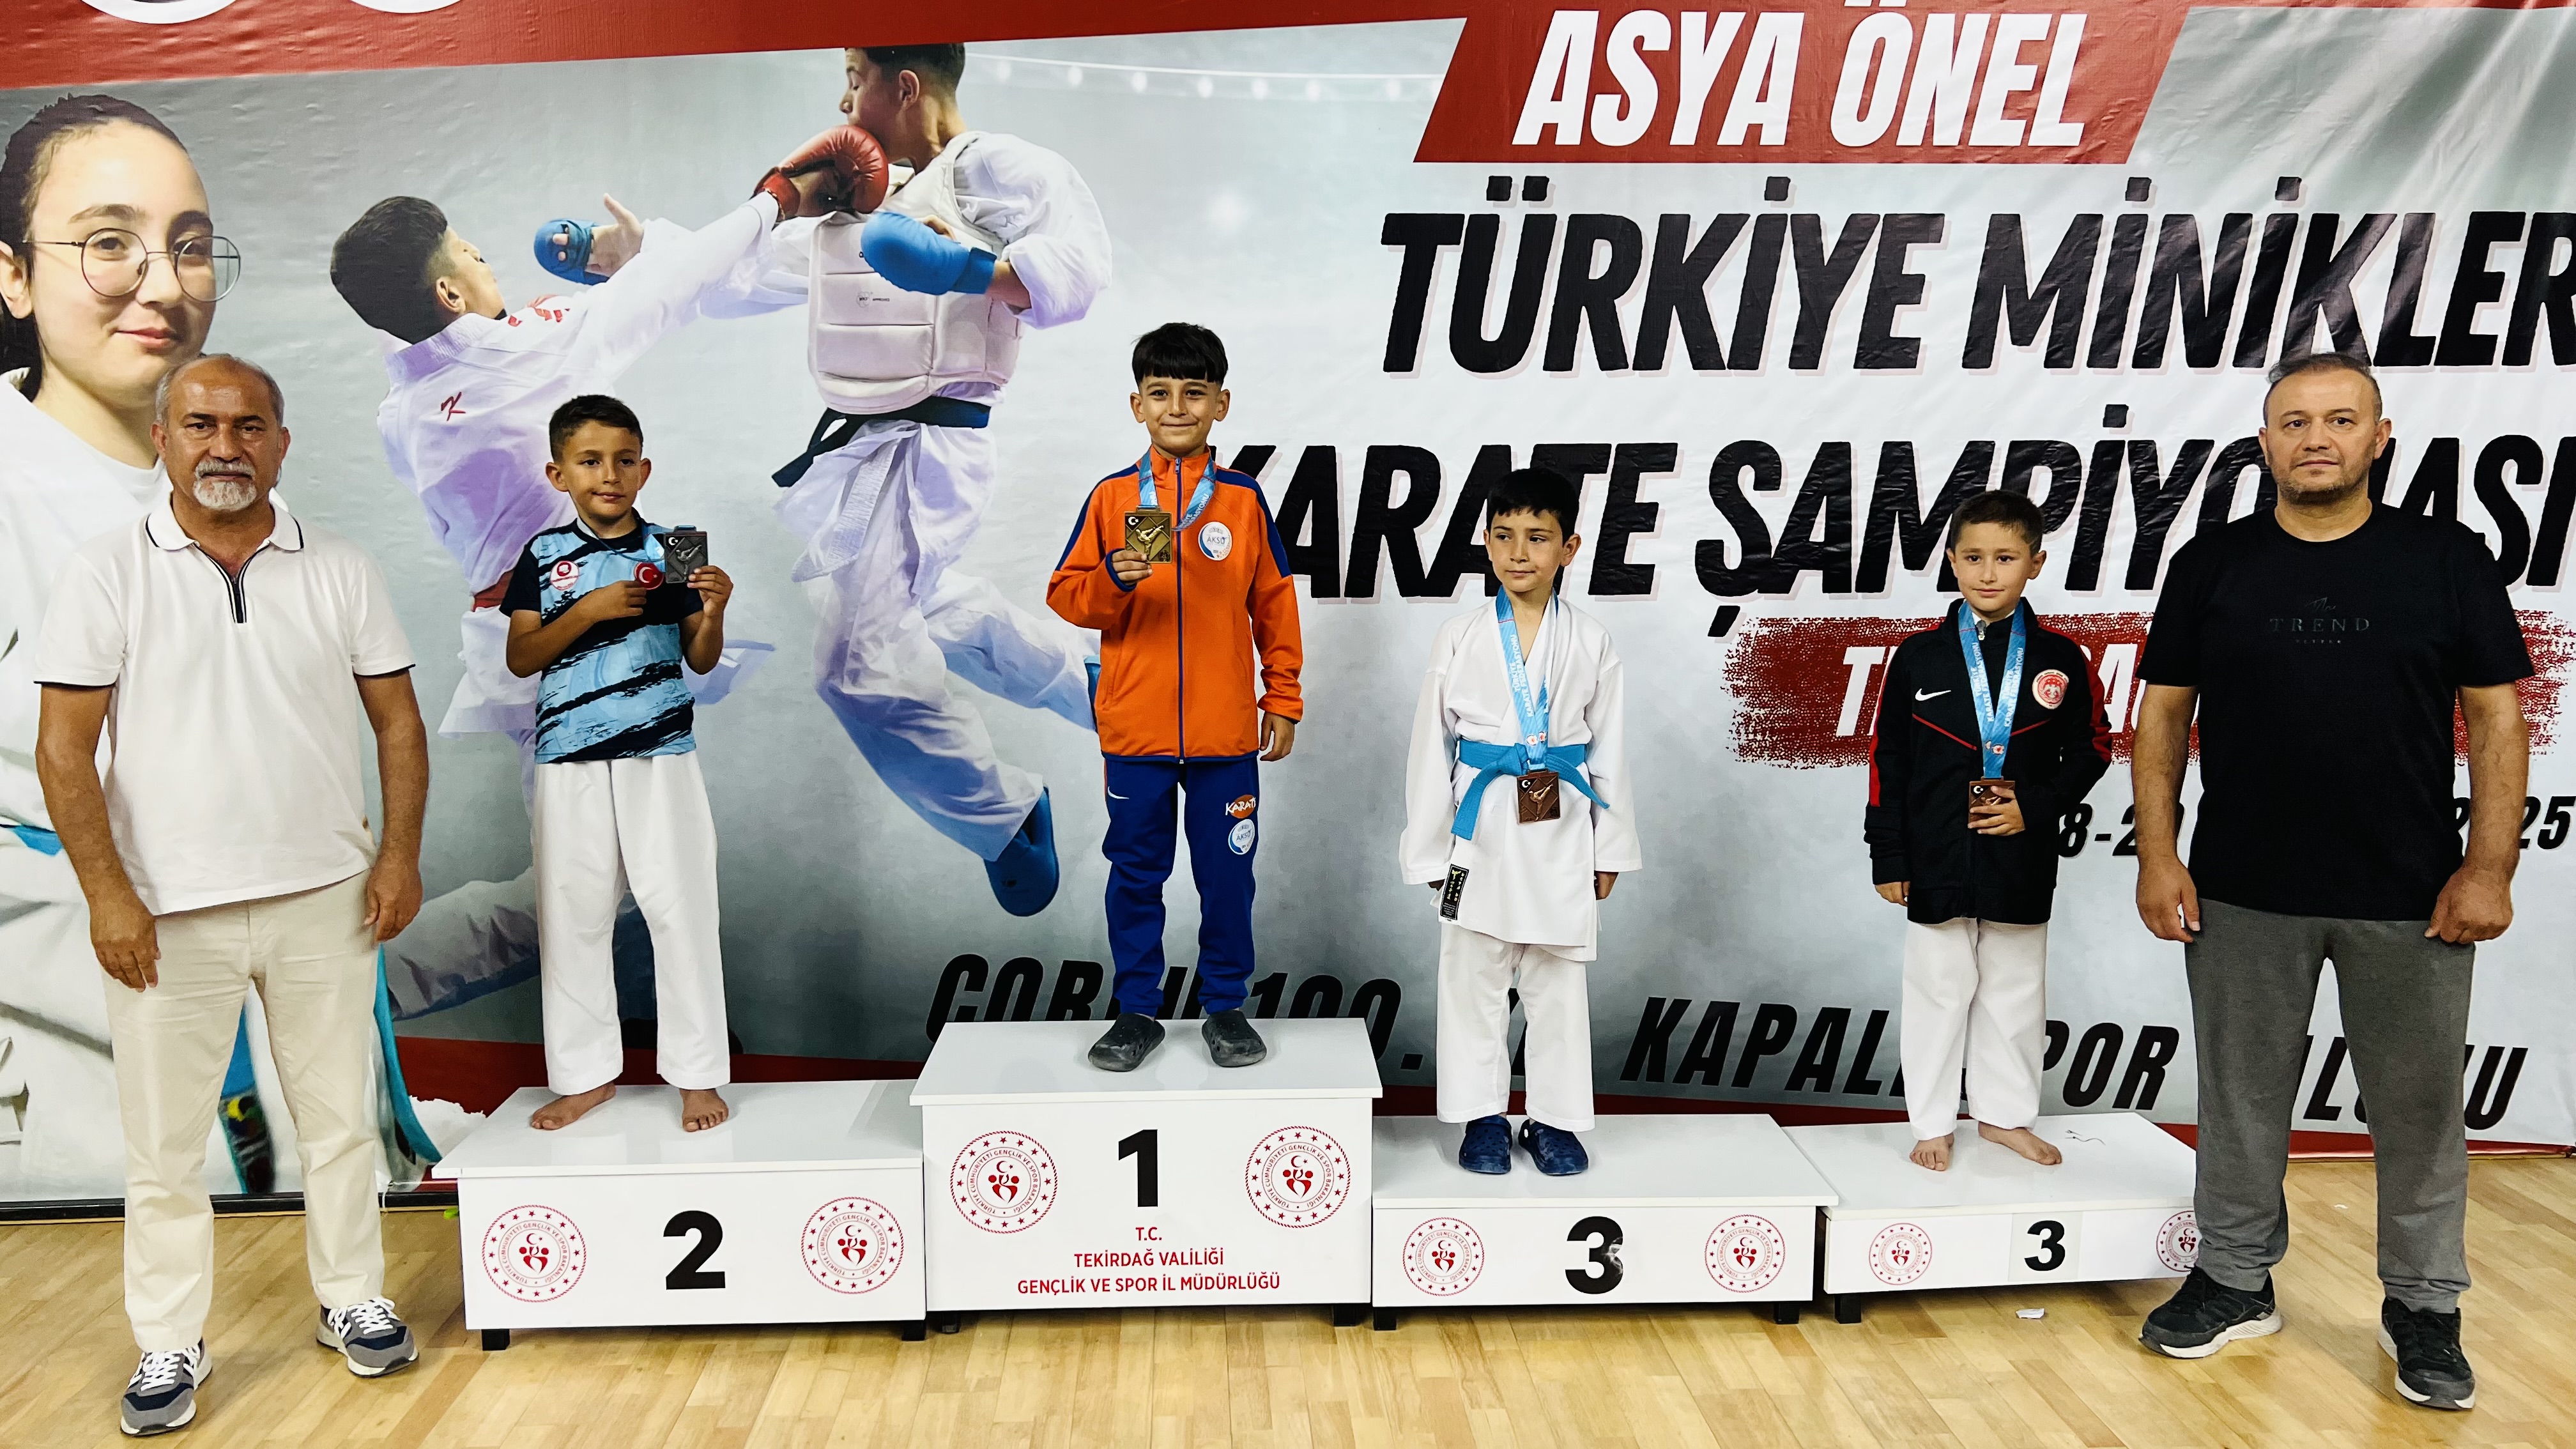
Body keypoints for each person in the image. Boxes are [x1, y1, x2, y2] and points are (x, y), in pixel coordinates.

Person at [329, 129, 878, 1024]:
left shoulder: (407, 408)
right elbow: (672, 288)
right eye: (471, 252)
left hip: (533, 638)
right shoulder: (528, 355)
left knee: (618, 875)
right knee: (593, 886)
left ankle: (636, 1028)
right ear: (449, 293)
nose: (486, 259)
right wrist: (777, 197)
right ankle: (358, 983)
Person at [32, 355, 431, 1433]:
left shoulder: (340, 566)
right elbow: (63, 751)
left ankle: (352, 1300)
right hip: (166, 913)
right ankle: (169, 1339)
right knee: (165, 1148)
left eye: (248, 426)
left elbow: (398, 723)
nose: (225, 446)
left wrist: (398, 855)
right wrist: (109, 896)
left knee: (339, 1123)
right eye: (202, 424)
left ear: (281, 444)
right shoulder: (107, 571)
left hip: (326, 896)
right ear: (163, 438)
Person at [2131, 352, 2529, 1412]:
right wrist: (2159, 853)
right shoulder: (2212, 563)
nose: (2317, 438)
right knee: (2240, 1098)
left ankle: (2424, 1306)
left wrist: (2489, 865)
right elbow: (2163, 713)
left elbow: (2495, 717)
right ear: (2265, 442)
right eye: (2295, 421)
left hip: (2410, 892)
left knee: (2418, 1109)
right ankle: (2233, 1277)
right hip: (2241, 886)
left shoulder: (2446, 558)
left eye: (2341, 419)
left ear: (2379, 437)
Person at [714, 43, 1110, 916]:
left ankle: (1004, 816)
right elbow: (755, 271)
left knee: (856, 669)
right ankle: (1081, 676)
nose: (843, 99)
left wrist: (969, 269)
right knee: (919, 605)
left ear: (903, 86)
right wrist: (635, 257)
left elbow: (1082, 271)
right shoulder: (865, 195)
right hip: (864, 451)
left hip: (929, 448)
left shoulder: (993, 170)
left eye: (854, 78)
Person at [0, 92, 284, 1202]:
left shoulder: (240, 504)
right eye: (109, 242)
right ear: (14, 275)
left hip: (265, 1134)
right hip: (68, 1155)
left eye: (191, 246)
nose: (164, 284)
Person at [1048, 324, 1301, 1072]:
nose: (1178, 407)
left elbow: (1274, 604)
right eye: (1160, 393)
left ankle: (1225, 1007)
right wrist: (1112, 581)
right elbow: (1067, 596)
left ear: (1222, 403)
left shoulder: (1244, 502)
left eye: (1194, 392)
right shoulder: (1113, 498)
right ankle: (1137, 1011)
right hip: (1136, 732)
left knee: (1227, 878)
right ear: (1137, 406)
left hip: (1225, 735)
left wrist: (1282, 697)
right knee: (1136, 876)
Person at [500, 395, 735, 1133]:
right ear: (558, 474)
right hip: (568, 756)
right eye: (591, 461)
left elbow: (700, 659)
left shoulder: (677, 549)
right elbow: (521, 657)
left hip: (661, 752)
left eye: (624, 460)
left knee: (682, 908)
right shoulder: (543, 557)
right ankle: (585, 1076)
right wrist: (587, 612)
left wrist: (714, 613)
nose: (610, 474)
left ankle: (697, 1075)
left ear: (645, 469)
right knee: (572, 913)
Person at [1398, 466, 1639, 1176]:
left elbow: (1611, 749)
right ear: (1486, 542)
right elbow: (1430, 749)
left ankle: (1554, 1120)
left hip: (1561, 825)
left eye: (1538, 537)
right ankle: (1480, 1116)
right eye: (1504, 536)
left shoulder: (1592, 639)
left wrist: (1610, 848)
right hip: (1478, 828)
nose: (1519, 553)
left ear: (1570, 548)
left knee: (1557, 981)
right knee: (1471, 972)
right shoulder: (1459, 635)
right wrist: (1429, 851)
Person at [1862, 490, 2112, 1172]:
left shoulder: (2061, 657)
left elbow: (2092, 748)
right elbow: (1888, 760)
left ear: (2036, 563)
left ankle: (2004, 1117)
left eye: (2006, 558)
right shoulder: (1919, 656)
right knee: (1938, 988)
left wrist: (2037, 805)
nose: (1988, 572)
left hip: (2020, 850)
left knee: (2015, 990)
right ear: (1951, 561)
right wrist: (1889, 854)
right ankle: (1932, 1122)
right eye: (1973, 558)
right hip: (1935, 852)